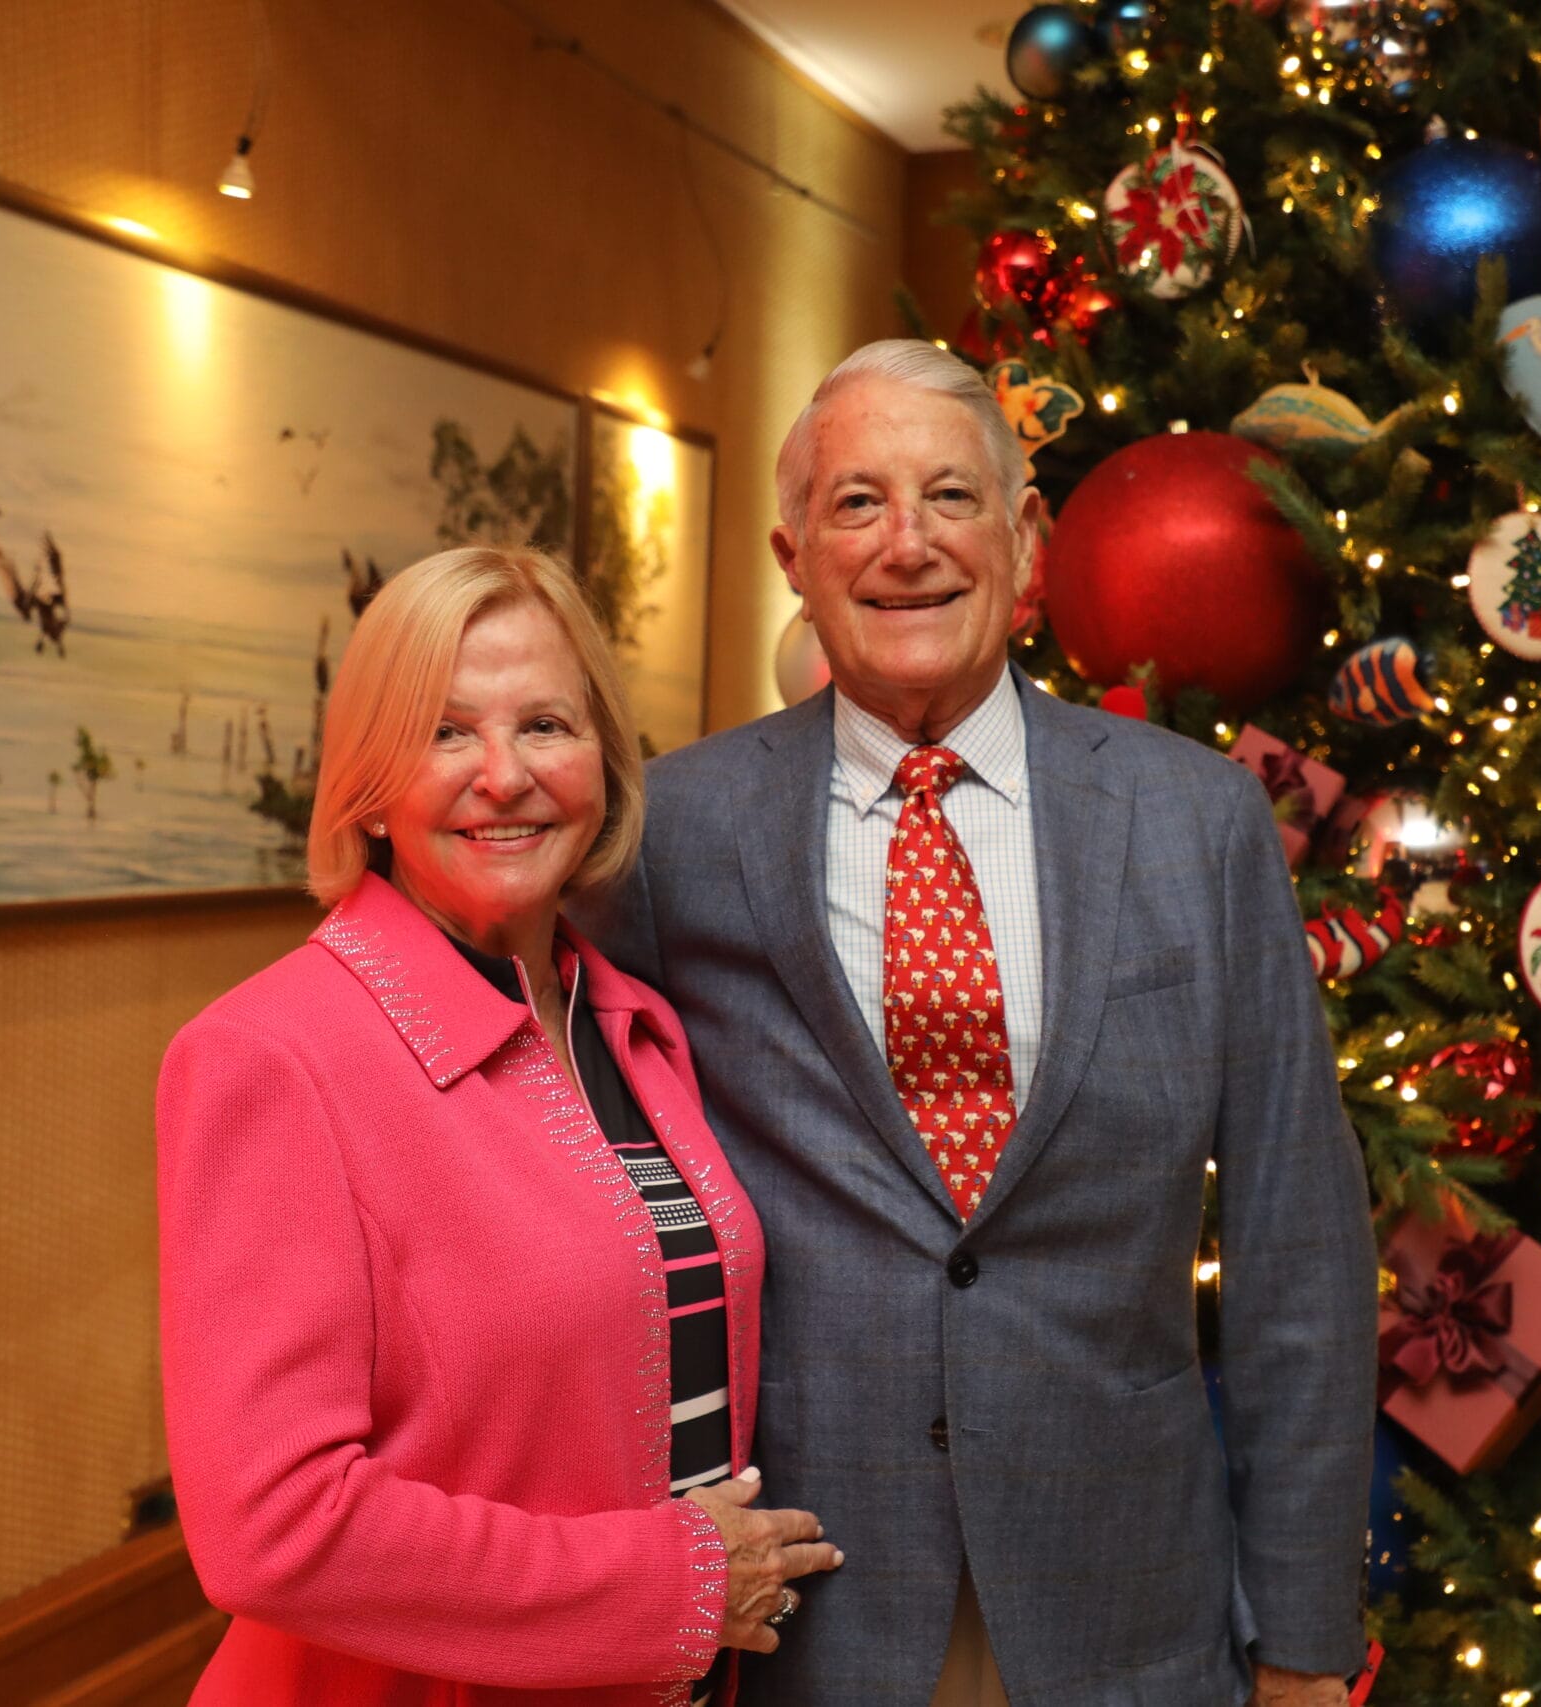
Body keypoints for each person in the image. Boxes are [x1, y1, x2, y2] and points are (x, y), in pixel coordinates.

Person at [583, 342, 1379, 1707]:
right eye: (857, 502)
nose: (908, 545)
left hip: (1129, 1597)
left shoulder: (1196, 822)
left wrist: (1306, 1637)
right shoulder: (676, 832)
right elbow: (593, 1205)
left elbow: (1296, 1245)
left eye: (950, 496)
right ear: (792, 555)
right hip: (806, 1612)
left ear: (1024, 540)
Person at [156, 547, 841, 1705]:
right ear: (370, 780)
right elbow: (272, 1527)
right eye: (445, 732)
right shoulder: (271, 1059)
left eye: (545, 726)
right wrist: (672, 1586)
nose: (504, 776)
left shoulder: (631, 1023)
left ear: (604, 761)